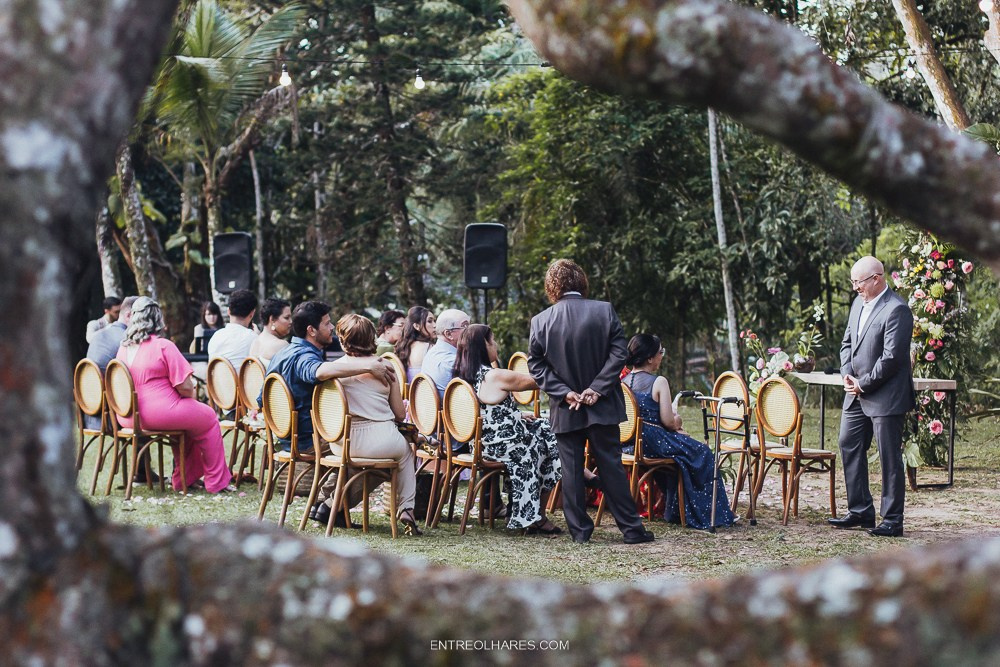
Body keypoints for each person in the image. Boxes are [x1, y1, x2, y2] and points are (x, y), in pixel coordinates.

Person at [528, 259, 652, 545]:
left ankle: (580, 533)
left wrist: (564, 392)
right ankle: (632, 531)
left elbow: (536, 365)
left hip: (565, 406)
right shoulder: (604, 310)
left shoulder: (541, 321)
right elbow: (619, 354)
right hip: (602, 404)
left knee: (570, 471)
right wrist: (596, 389)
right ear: (581, 282)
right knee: (611, 467)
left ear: (552, 287)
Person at [263, 302, 397, 523]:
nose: (332, 327)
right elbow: (320, 371)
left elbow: (262, 398)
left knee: (357, 444)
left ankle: (324, 505)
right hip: (308, 439)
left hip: (287, 435)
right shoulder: (304, 357)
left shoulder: (284, 352)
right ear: (311, 330)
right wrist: (368, 366)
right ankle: (331, 507)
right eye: (327, 323)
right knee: (379, 453)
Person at [829, 256, 914, 538]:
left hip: (884, 395)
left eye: (859, 282)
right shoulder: (857, 304)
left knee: (889, 458)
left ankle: (892, 520)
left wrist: (862, 384)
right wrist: (846, 374)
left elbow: (891, 359)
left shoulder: (897, 310)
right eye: (853, 282)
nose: (855, 288)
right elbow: (847, 343)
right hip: (855, 392)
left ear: (876, 278)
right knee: (848, 443)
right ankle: (861, 510)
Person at [115, 297, 233, 493]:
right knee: (210, 417)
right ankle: (216, 481)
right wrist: (190, 394)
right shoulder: (163, 345)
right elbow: (185, 388)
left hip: (128, 415)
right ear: (158, 319)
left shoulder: (123, 348)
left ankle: (185, 479)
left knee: (189, 425)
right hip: (159, 413)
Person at [454, 324, 564, 534]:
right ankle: (534, 514)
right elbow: (538, 381)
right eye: (492, 340)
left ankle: (529, 512)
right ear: (483, 345)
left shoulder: (465, 373)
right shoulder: (493, 375)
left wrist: (518, 414)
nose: (495, 344)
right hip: (503, 445)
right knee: (547, 444)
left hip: (483, 441)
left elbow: (486, 409)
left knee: (543, 427)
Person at [624, 334, 736, 530]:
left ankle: (677, 509)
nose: (662, 356)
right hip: (653, 442)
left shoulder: (623, 382)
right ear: (650, 358)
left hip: (629, 442)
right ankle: (710, 515)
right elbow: (668, 421)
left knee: (684, 452)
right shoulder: (658, 382)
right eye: (660, 352)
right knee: (702, 452)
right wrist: (678, 421)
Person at [330, 314, 421, 535]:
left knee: (376, 460)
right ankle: (407, 508)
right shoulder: (385, 367)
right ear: (372, 338)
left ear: (343, 340)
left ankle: (330, 505)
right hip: (383, 440)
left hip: (342, 441)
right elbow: (400, 415)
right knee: (406, 455)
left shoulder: (332, 370)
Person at [421, 308, 471, 397]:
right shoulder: (452, 362)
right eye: (465, 326)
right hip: (456, 410)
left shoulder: (432, 352)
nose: (471, 331)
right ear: (448, 334)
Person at [207, 289, 258, 369]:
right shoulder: (254, 338)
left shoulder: (216, 336)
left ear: (228, 311)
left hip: (216, 381)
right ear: (252, 314)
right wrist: (259, 337)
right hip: (242, 381)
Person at [394, 306, 436, 383]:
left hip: (405, 393)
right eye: (430, 321)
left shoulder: (403, 346)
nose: (435, 325)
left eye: (434, 321)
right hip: (425, 393)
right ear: (417, 326)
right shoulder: (431, 348)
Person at [248, 298, 292, 367]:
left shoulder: (255, 342)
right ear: (272, 320)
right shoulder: (281, 345)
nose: (291, 321)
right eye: (287, 318)